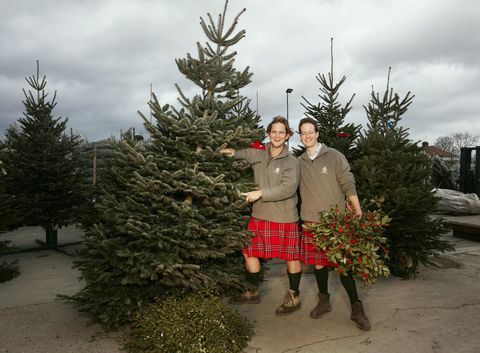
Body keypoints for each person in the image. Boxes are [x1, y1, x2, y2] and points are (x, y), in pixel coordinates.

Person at [219, 116, 302, 316]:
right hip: (260, 215)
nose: (277, 135)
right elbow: (238, 153)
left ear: (287, 135)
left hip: (284, 217)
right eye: (274, 131)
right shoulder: (258, 154)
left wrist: (260, 193)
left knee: (291, 257)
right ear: (269, 133)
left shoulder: (291, 161)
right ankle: (253, 291)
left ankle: (294, 296)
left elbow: (287, 189)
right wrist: (217, 150)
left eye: (281, 132)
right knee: (248, 252)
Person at [297, 117, 371, 331]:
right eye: (303, 132)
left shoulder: (335, 156)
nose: (307, 135)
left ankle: (357, 307)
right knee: (318, 263)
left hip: (336, 221)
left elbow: (348, 184)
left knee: (343, 264)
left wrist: (357, 211)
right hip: (311, 220)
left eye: (311, 131)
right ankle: (324, 301)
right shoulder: (299, 162)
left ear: (318, 133)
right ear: (300, 136)